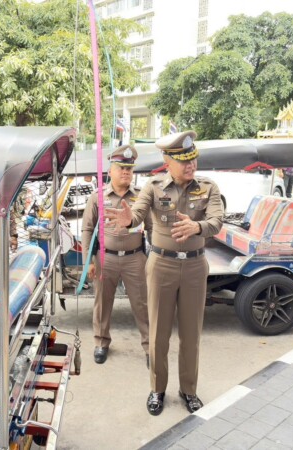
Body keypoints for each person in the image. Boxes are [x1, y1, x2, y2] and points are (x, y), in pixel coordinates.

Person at [104, 130, 223, 416]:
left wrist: (197, 227)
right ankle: (157, 389)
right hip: (161, 266)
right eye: (183, 160)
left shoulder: (208, 187)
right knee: (158, 334)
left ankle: (188, 390)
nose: (190, 165)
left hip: (194, 266)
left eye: (192, 159)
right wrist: (128, 220)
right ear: (167, 162)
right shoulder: (154, 186)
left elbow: (217, 221)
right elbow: (137, 213)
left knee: (191, 335)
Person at [81, 145, 151, 366]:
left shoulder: (141, 197)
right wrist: (88, 261)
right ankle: (101, 343)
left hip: (135, 258)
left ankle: (150, 346)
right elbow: (87, 229)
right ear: (110, 170)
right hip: (106, 258)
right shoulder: (98, 197)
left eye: (129, 169)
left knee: (142, 303)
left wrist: (155, 259)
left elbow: (152, 228)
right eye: (121, 168)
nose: (126, 172)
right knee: (102, 303)